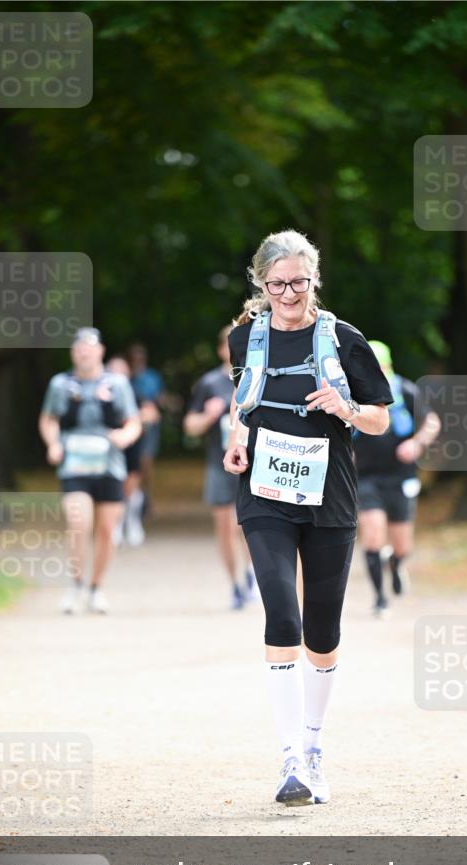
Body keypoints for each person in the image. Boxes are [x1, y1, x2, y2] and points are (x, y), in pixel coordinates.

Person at [224, 230, 392, 806]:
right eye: (277, 284)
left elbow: (379, 421)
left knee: (322, 630)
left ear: (313, 279)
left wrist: (344, 408)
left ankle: (315, 745)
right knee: (280, 609)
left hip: (330, 497)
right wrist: (236, 439)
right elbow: (241, 402)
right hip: (265, 491)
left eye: (298, 282)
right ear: (261, 284)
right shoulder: (244, 337)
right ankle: (290, 755)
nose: (288, 293)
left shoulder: (344, 339)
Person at [38, 327, 141, 614]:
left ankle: (96, 587)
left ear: (100, 352)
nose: (84, 353)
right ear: (73, 353)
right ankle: (75, 584)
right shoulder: (60, 384)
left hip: (110, 466)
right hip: (75, 465)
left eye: (89, 348)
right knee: (78, 523)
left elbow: (134, 421)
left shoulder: (117, 384)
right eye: (79, 348)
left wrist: (125, 436)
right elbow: (48, 419)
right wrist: (53, 444)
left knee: (107, 530)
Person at [355, 341, 441, 615]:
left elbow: (432, 422)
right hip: (365, 477)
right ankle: (380, 599)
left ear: (388, 365)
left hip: (400, 476)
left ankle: (396, 563)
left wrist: (417, 444)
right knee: (372, 536)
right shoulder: (354, 393)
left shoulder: (404, 390)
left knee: (403, 545)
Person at [183, 326, 258, 610]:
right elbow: (190, 426)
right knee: (225, 526)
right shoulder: (210, 383)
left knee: (250, 525)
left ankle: (252, 573)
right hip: (218, 464)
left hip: (252, 465)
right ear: (221, 349)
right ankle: (235, 584)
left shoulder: (258, 377)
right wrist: (208, 415)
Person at [106, 356, 146, 547]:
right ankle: (116, 523)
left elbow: (149, 412)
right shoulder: (101, 394)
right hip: (108, 444)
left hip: (131, 443)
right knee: (114, 483)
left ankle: (131, 519)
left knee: (131, 482)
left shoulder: (134, 393)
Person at [126, 343, 167, 505]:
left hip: (150, 424)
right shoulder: (125, 378)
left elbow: (160, 396)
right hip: (131, 423)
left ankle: (146, 499)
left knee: (146, 461)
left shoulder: (153, 376)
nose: (138, 360)